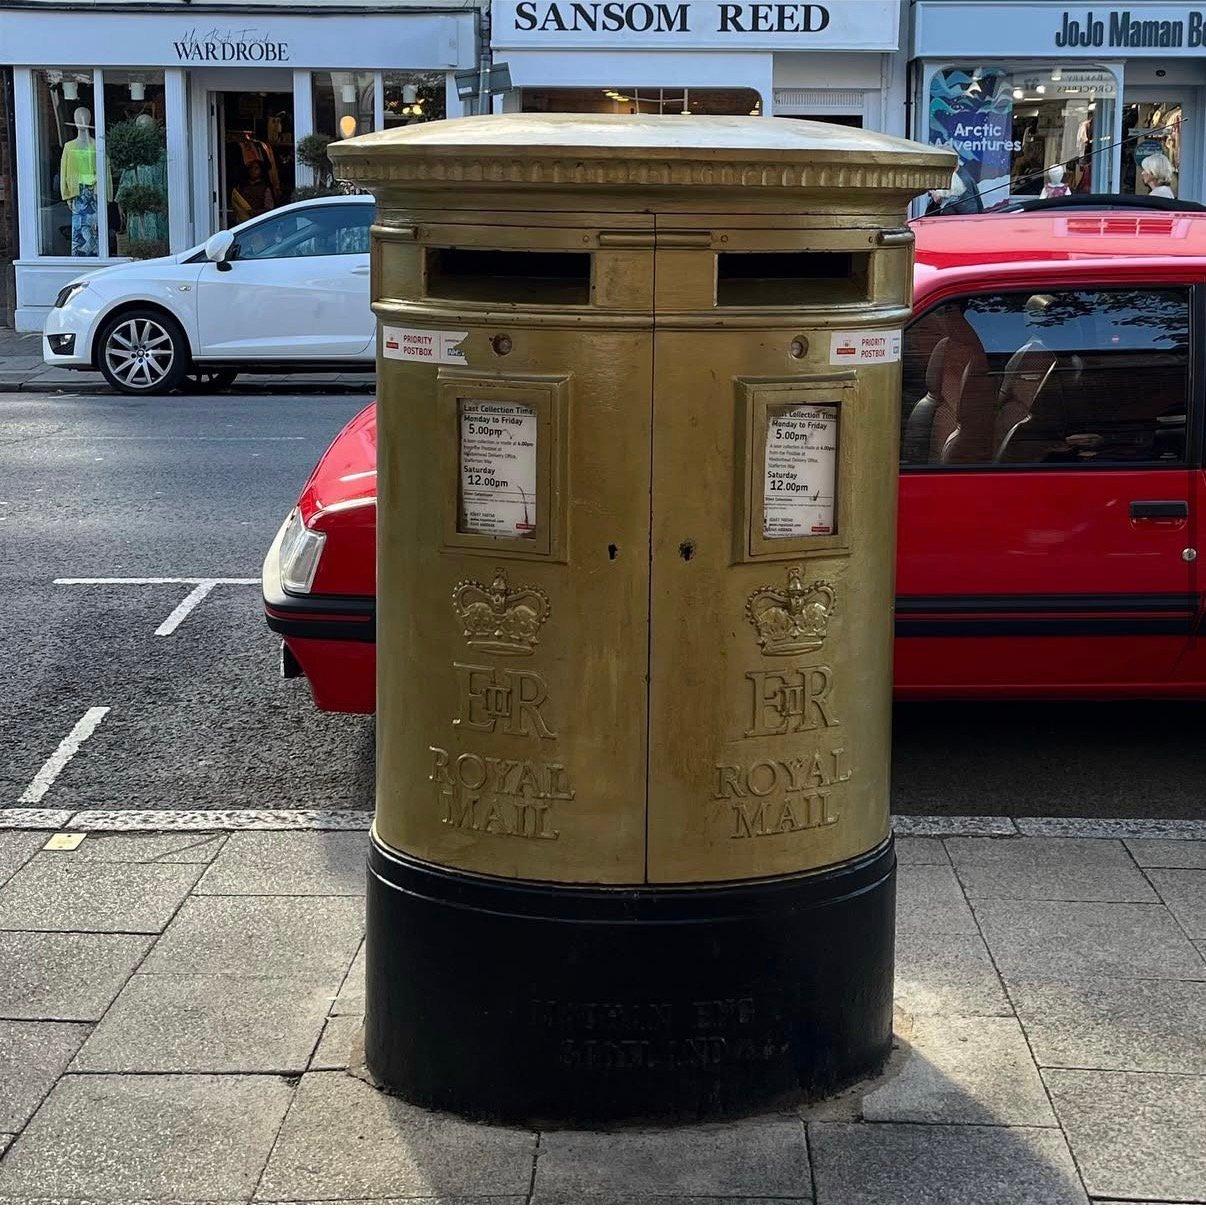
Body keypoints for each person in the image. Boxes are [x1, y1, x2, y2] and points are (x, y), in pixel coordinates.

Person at [230, 161, 276, 225]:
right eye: (250, 168)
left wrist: (254, 212)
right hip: (242, 223)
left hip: (258, 223)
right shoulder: (242, 186)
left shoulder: (265, 188)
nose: (252, 170)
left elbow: (269, 208)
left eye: (256, 168)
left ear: (261, 171)